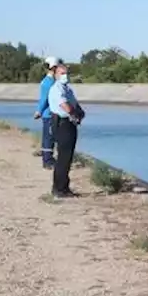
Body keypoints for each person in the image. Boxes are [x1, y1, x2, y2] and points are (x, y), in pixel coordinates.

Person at [46, 64, 85, 198]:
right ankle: (58, 189)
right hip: (61, 123)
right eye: (62, 73)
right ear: (56, 75)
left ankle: (64, 187)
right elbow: (65, 106)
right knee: (63, 157)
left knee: (68, 157)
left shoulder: (67, 89)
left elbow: (74, 103)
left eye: (66, 73)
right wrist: (74, 113)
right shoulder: (56, 89)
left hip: (70, 124)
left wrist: (80, 112)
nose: (65, 76)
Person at [33, 57, 60, 168]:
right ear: (53, 68)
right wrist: (39, 111)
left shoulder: (52, 81)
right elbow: (44, 99)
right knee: (48, 137)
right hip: (48, 114)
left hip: (52, 113)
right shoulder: (48, 83)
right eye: (57, 67)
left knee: (51, 136)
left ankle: (49, 157)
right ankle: (47, 160)